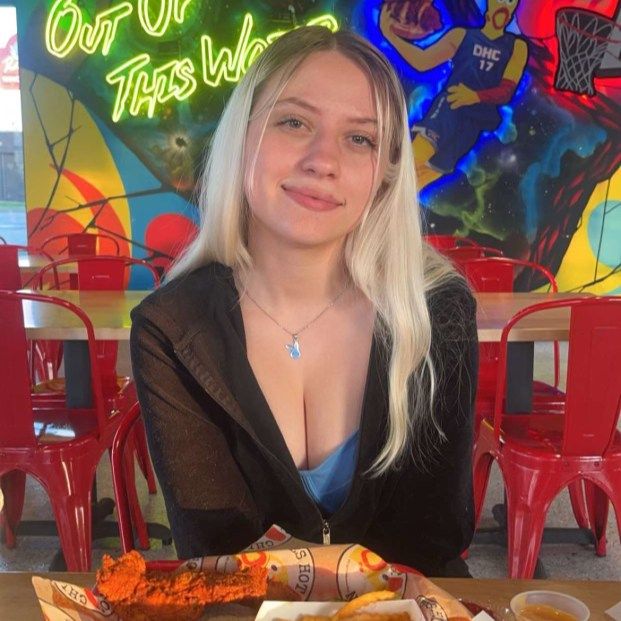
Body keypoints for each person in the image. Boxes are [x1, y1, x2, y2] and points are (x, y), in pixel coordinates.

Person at [130, 25, 478, 577]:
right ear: (243, 136)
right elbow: (215, 558)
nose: (323, 160)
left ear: (385, 174)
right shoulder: (172, 327)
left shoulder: (436, 310)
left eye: (359, 139)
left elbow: (432, 542)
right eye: (294, 122)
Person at [380, 0, 528, 189]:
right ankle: (370, 194)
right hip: (449, 108)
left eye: (510, 1)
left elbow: (506, 91)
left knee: (420, 180)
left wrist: (475, 96)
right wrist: (389, 35)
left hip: (473, 124)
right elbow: (422, 61)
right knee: (409, 164)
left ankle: (382, 205)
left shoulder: (517, 47)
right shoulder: (462, 36)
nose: (504, 5)